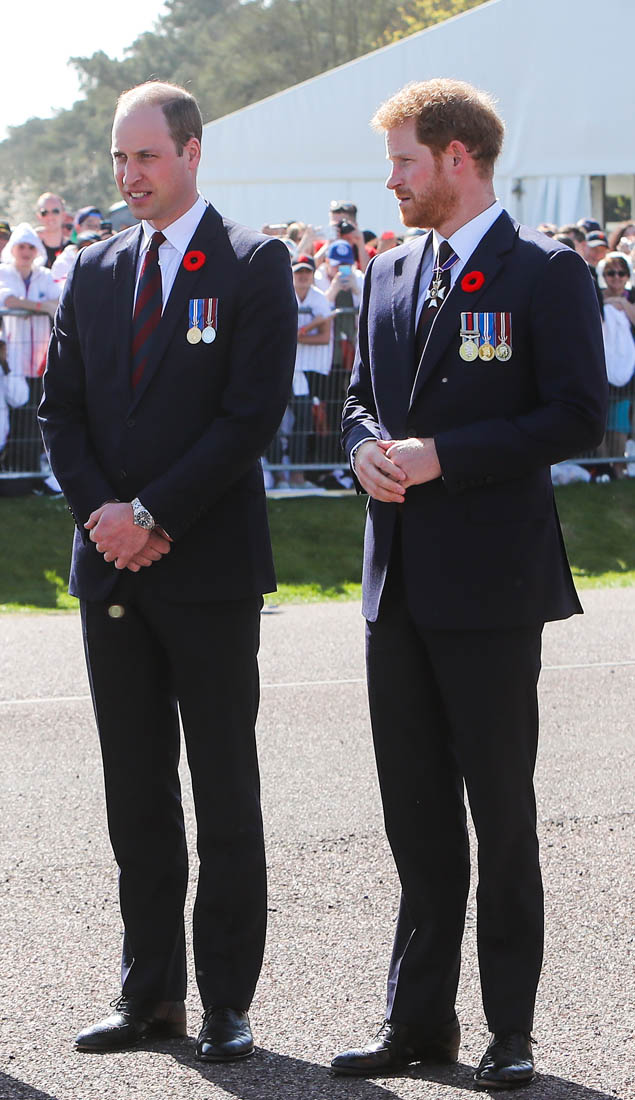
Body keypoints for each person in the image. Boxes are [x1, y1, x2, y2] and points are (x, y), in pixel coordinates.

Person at [331, 78, 607, 1089]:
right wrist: (362, 448)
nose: (391, 182)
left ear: (457, 158)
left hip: (489, 586)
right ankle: (416, 1021)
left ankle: (509, 1028)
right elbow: (357, 398)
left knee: (499, 812)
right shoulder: (386, 269)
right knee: (414, 817)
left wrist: (444, 454)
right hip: (394, 586)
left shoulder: (545, 270)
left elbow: (576, 413)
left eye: (403, 162)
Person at [39, 80, 296, 1062]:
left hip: (207, 567)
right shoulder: (94, 266)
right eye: (119, 157)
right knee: (136, 791)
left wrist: (150, 514)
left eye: (145, 155)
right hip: (112, 570)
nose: (128, 174)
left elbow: (248, 414)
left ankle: (226, 997)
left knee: (224, 786)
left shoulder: (252, 262)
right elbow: (62, 411)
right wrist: (104, 518)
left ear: (191, 152)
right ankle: (148, 992)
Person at [0, 223, 60, 478]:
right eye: (21, 246)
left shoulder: (44, 275)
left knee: (35, 411)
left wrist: (31, 305)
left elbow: (59, 300)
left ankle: (29, 468)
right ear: (13, 249)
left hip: (39, 355)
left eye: (30, 247)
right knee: (12, 409)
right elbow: (7, 299)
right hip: (12, 356)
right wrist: (40, 306)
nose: (25, 252)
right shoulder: (3, 272)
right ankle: (10, 464)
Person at [35, 192, 67, 267]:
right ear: (38, 217)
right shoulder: (31, 248)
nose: (50, 217)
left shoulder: (72, 249)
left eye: (55, 211)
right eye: (44, 212)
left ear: (63, 215)